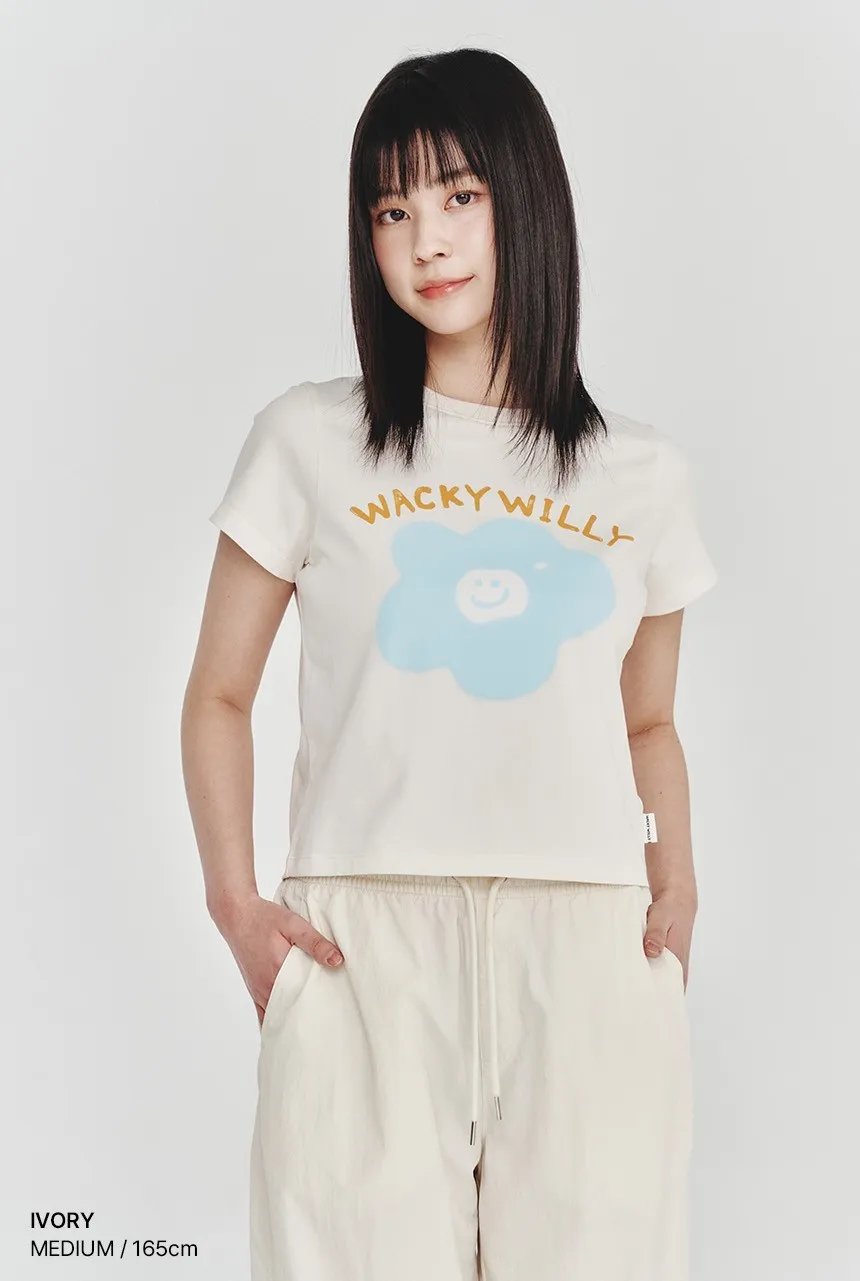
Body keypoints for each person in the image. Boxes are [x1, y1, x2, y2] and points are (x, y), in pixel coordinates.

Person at [181, 46, 718, 1281]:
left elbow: (645, 725)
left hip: (587, 949)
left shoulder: (639, 476)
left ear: (525, 196)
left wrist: (672, 886)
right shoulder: (308, 442)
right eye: (389, 210)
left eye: (457, 195)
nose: (424, 240)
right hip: (361, 948)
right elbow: (217, 693)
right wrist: (234, 905)